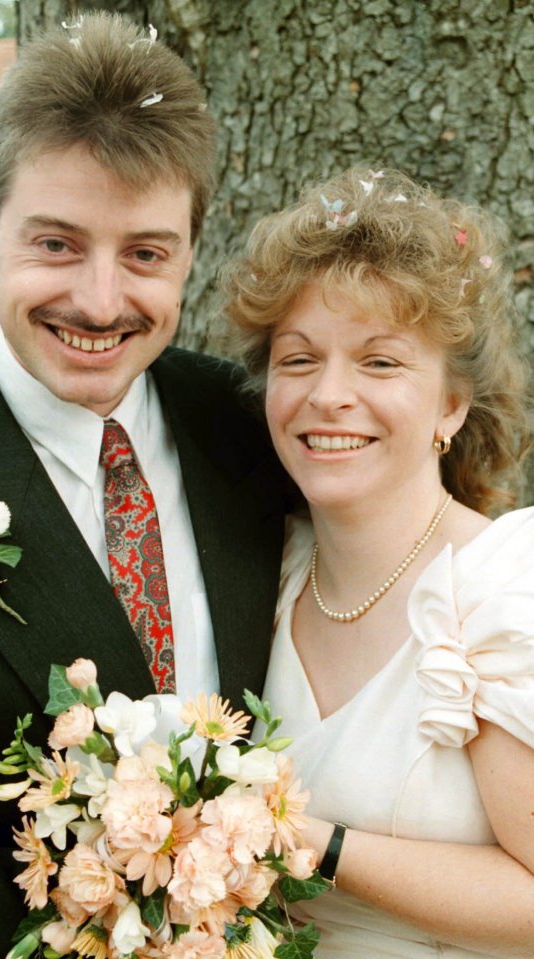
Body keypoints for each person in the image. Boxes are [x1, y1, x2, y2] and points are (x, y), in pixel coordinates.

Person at [0, 14, 290, 958]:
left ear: (190, 254)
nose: (102, 302)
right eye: (58, 245)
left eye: (146, 254)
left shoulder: (258, 429)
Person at [221, 167, 534, 958]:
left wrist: (309, 845)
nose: (328, 395)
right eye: (297, 360)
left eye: (379, 362)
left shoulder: (502, 586)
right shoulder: (264, 568)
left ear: (451, 406)